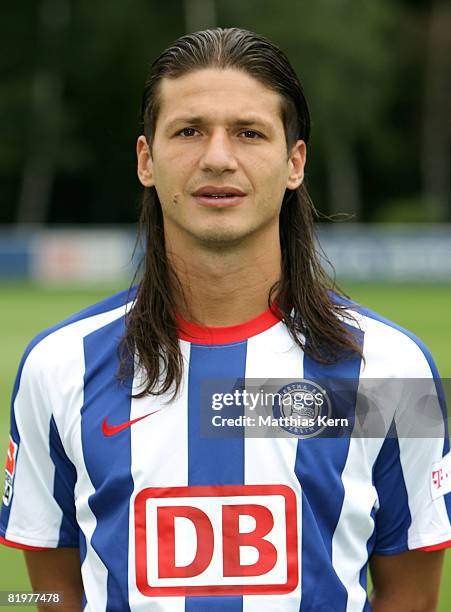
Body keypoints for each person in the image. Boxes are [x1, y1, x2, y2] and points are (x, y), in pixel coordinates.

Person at [1, 27, 450, 612]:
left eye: (249, 133)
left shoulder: (392, 368)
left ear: (294, 163)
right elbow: (53, 589)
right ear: (146, 159)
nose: (217, 158)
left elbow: (411, 591)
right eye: (189, 131)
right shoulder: (57, 368)